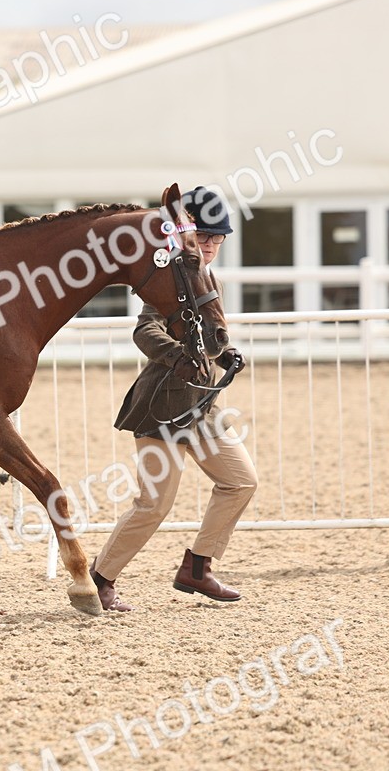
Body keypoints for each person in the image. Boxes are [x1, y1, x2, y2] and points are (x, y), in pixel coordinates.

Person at [91, 186, 258, 611]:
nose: (209, 248)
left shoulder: (208, 277)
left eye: (216, 241)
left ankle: (198, 567)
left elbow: (206, 335)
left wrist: (225, 353)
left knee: (241, 481)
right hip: (161, 406)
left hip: (201, 407)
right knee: (153, 505)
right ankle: (100, 578)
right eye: (203, 239)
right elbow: (146, 330)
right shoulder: (172, 274)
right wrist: (176, 359)